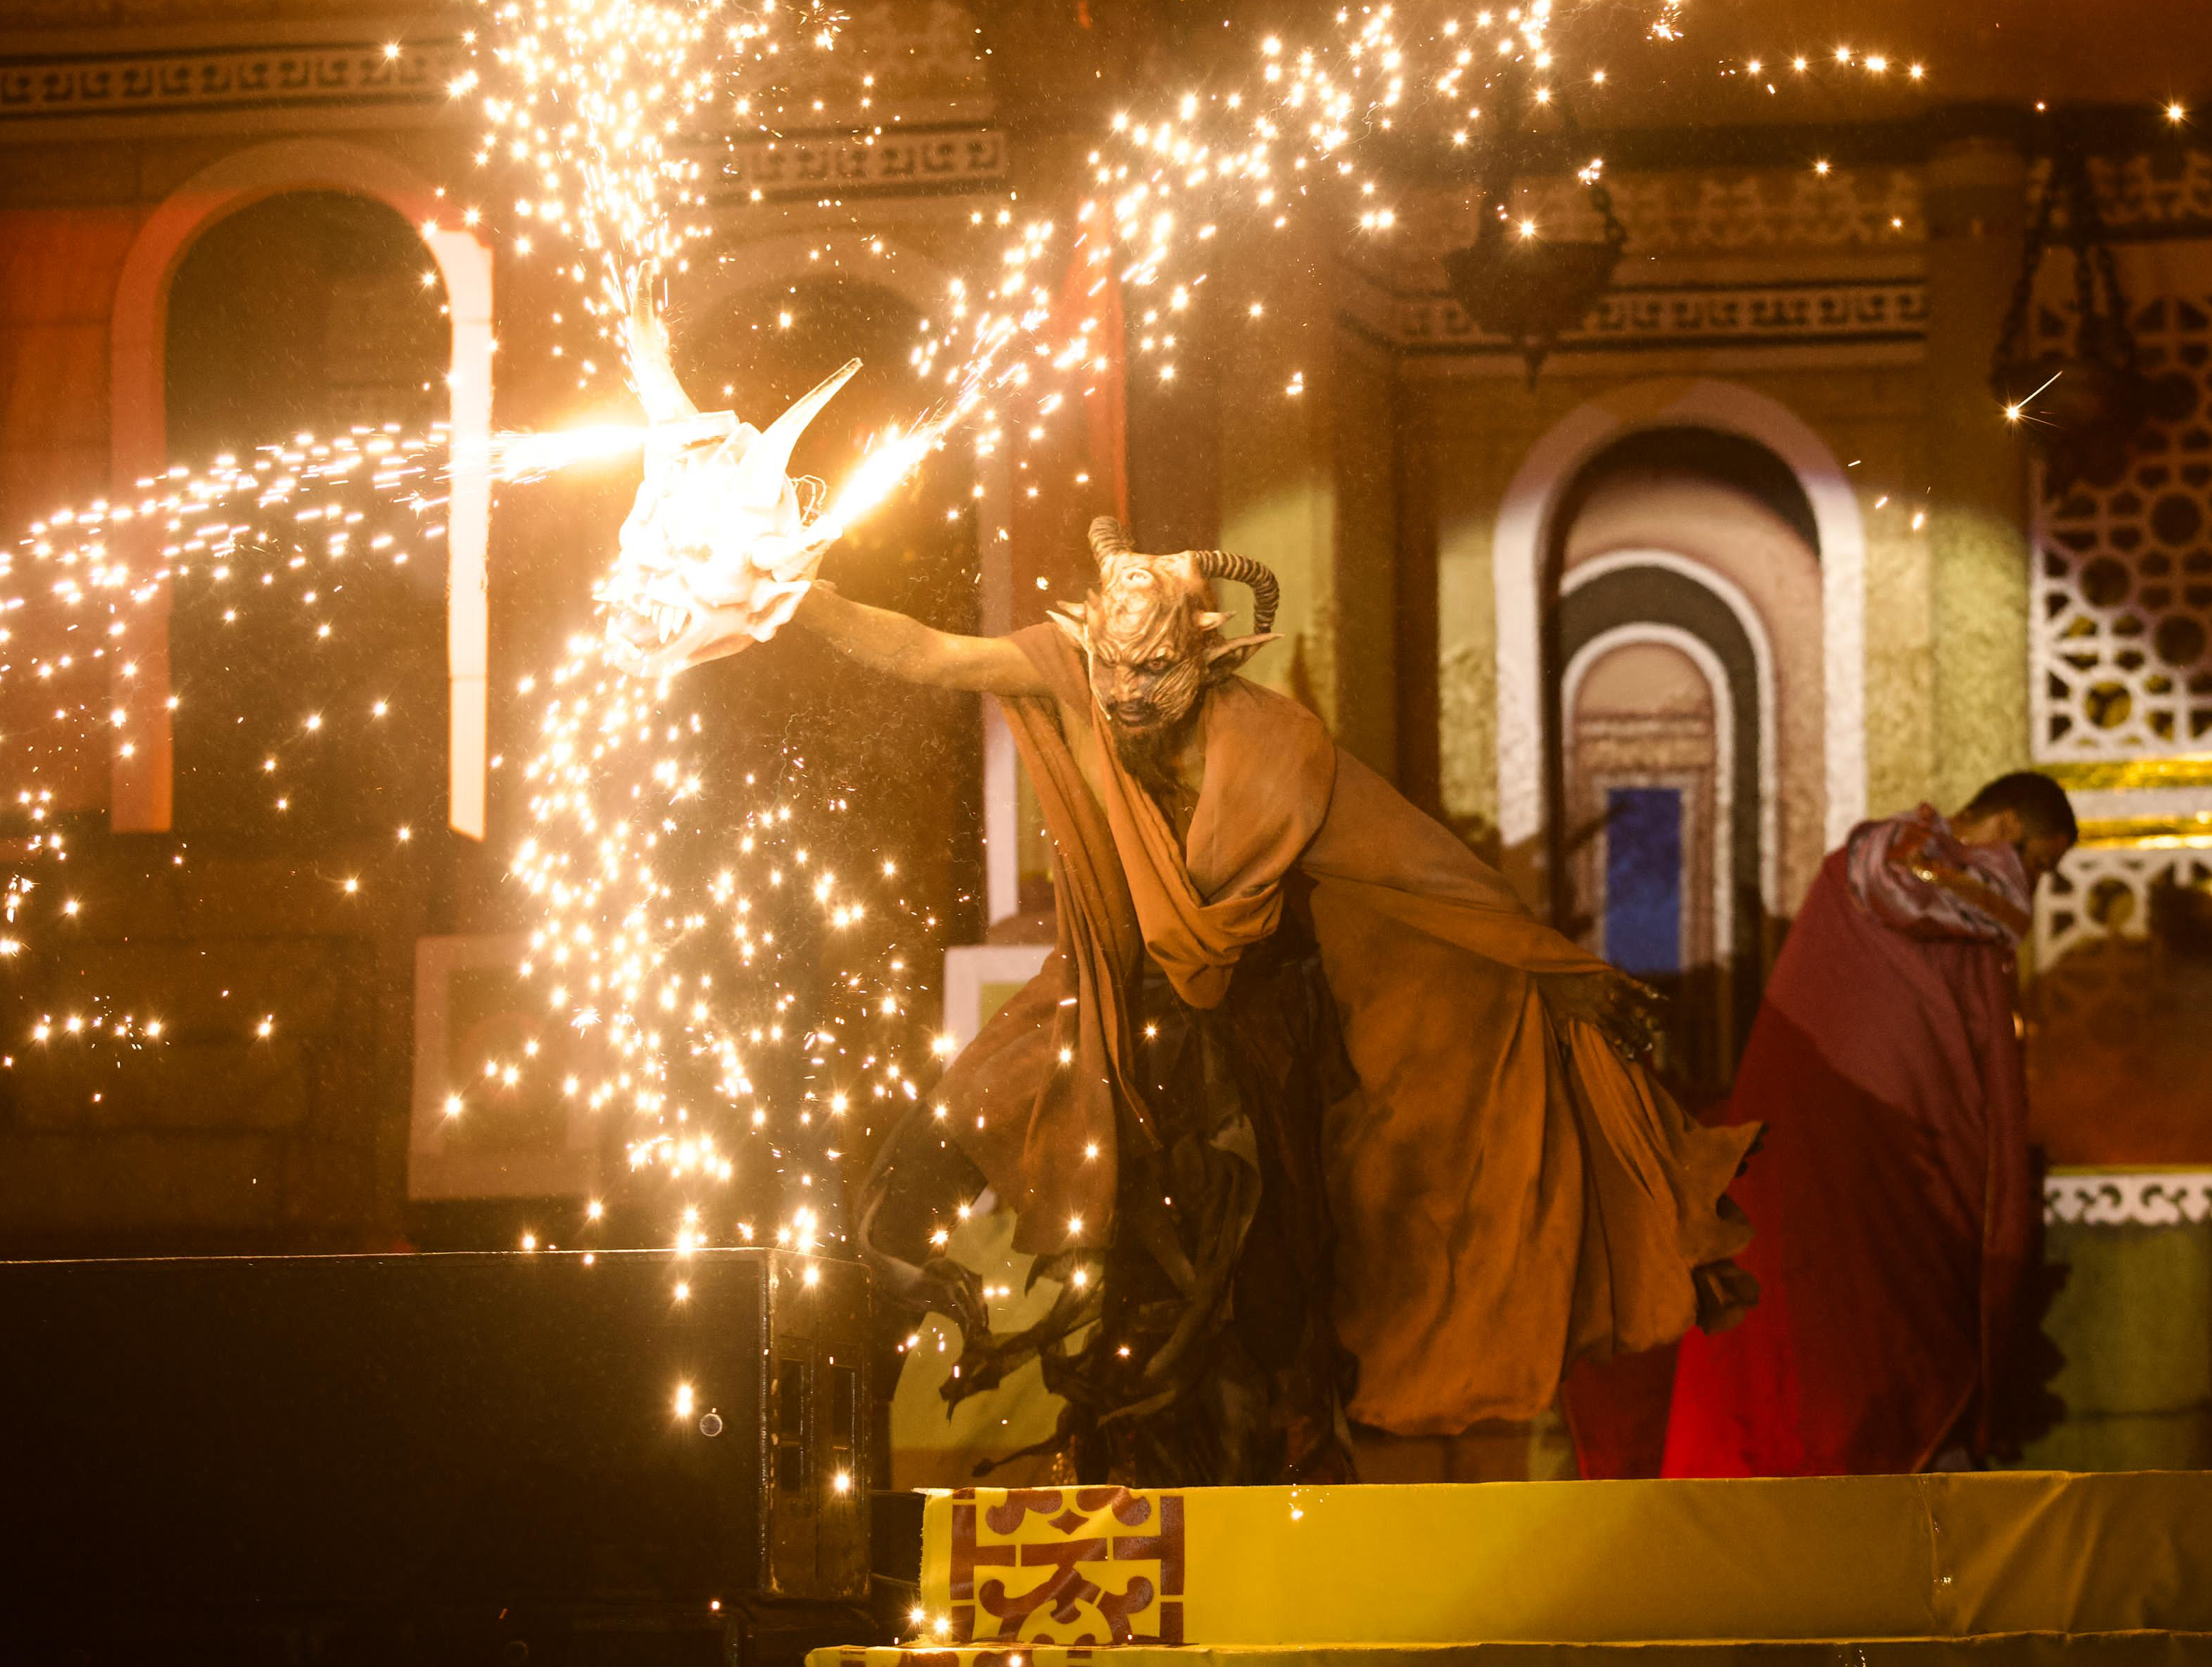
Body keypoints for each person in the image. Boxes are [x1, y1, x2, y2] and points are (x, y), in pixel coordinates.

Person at [791, 519, 1757, 1485]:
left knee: (1256, 1308)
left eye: (1154, 673)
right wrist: (807, 600)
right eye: (1113, 671)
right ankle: (852, 1415)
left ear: (1208, 657)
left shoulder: (1277, 751)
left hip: (1246, 1051)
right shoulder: (1070, 675)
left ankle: (1264, 1505)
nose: (1127, 698)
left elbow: (1429, 874)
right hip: (1110, 1020)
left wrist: (1561, 972)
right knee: (961, 1176)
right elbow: (928, 652)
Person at [1646, 772, 2076, 1477]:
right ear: (2003, 829)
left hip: (1872, 1167)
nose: (2032, 885)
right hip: (1847, 1154)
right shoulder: (1905, 872)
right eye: (2037, 862)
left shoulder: (1896, 886)